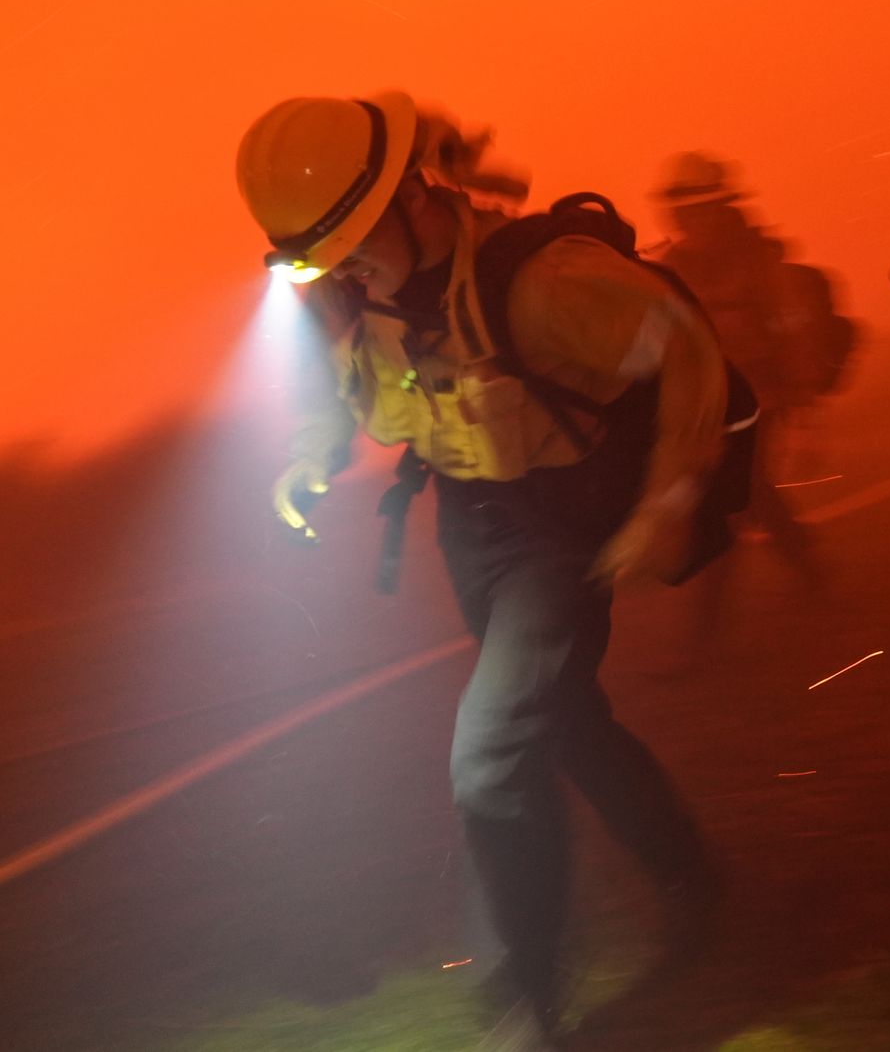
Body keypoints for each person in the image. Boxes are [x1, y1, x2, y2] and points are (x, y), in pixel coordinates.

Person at [236, 93, 731, 1045]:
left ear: (411, 198)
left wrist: (665, 500)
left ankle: (527, 994)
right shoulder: (345, 281)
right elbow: (347, 380)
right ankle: (692, 876)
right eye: (322, 260)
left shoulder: (547, 282)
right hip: (473, 525)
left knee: (490, 755)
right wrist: (314, 450)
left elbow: (689, 354)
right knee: (573, 725)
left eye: (350, 249)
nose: (340, 275)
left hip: (561, 529)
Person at [651, 152, 856, 618]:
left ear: (718, 209)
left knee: (738, 494)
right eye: (681, 210)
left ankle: (704, 629)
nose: (685, 219)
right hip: (709, 403)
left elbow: (797, 334)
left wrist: (807, 414)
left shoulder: (762, 265)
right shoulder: (673, 265)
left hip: (762, 397)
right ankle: (813, 573)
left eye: (694, 208)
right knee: (750, 495)